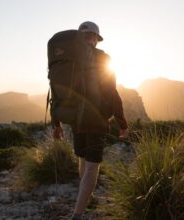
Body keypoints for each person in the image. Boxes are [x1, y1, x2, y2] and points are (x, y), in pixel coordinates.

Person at [53, 21, 129, 219]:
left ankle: (88, 196)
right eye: (95, 37)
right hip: (95, 118)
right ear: (95, 38)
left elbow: (56, 92)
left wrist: (57, 124)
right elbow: (112, 93)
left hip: (74, 118)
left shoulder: (66, 60)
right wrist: (122, 123)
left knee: (82, 158)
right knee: (93, 164)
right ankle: (78, 214)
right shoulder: (103, 59)